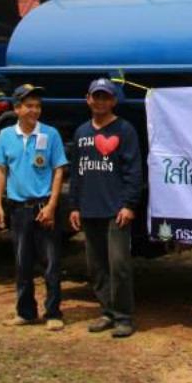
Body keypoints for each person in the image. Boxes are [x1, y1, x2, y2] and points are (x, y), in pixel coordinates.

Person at [68, 77, 144, 338]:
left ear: (114, 101)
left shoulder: (125, 130)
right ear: (88, 99)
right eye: (96, 96)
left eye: (106, 97)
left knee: (119, 264)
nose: (100, 101)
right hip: (89, 209)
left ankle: (124, 317)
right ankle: (107, 312)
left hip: (116, 210)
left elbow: (133, 170)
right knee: (96, 266)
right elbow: (76, 172)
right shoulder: (81, 133)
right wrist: (74, 205)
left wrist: (129, 204)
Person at [0, 83, 69, 331]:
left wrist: (52, 205)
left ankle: (53, 313)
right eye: (29, 106)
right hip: (18, 209)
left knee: (51, 263)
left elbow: (58, 170)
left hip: (44, 208)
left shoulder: (50, 135)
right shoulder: (6, 136)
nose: (34, 110)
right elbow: (0, 170)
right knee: (22, 263)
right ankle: (25, 312)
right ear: (17, 109)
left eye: (37, 106)